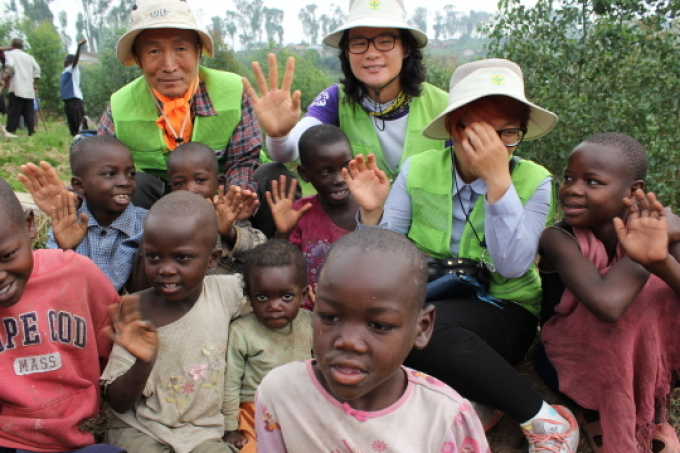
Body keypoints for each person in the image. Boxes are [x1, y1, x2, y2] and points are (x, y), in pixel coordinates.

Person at [345, 58, 580, 452]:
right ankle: (476, 401)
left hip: (503, 308)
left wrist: (499, 184)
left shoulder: (534, 181)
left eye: (508, 134)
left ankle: (546, 421)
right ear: (455, 128)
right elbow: (383, 257)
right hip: (431, 295)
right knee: (379, 328)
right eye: (484, 133)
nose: (496, 147)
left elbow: (512, 265)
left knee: (421, 333)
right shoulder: (418, 169)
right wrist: (371, 213)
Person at [255, 228, 490, 452]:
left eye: (379, 325)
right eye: (329, 317)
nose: (348, 341)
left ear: (421, 328)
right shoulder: (281, 393)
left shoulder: (444, 419)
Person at [245, 0, 448, 236]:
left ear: (407, 48)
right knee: (269, 173)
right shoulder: (335, 99)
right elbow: (291, 151)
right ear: (347, 52)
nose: (372, 53)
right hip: (359, 232)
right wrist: (278, 134)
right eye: (359, 43)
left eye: (385, 42)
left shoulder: (444, 106)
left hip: (429, 245)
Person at [538, 133, 680, 453]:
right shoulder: (558, 238)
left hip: (648, 360)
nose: (573, 189)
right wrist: (645, 257)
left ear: (634, 191)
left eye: (593, 181)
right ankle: (598, 414)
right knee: (638, 300)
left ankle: (651, 410)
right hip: (572, 360)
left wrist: (661, 258)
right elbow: (608, 305)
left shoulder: (662, 231)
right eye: (569, 178)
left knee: (662, 290)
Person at [101, 190, 248, 453]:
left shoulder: (226, 293)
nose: (165, 269)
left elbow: (271, 282)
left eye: (181, 258)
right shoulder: (134, 311)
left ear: (213, 259)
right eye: (154, 256)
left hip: (203, 433)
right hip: (140, 428)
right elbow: (118, 403)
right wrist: (143, 362)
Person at [97, 0, 262, 210]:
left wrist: (235, 197)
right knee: (135, 183)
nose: (169, 66)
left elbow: (244, 160)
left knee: (272, 177)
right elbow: (99, 166)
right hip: (156, 207)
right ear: (138, 59)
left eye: (181, 48)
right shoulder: (120, 104)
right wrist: (76, 197)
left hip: (220, 194)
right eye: (154, 51)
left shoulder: (233, 90)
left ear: (198, 52)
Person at [0, 178, 124, 453]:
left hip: (77, 440)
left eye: (8, 255)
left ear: (29, 225)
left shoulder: (77, 275)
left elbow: (117, 352)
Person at [20, 136, 147, 292]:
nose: (125, 182)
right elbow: (54, 282)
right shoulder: (67, 225)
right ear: (79, 185)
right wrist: (66, 249)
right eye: (109, 174)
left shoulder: (148, 225)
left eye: (131, 174)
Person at [222, 240, 313, 452]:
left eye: (286, 296)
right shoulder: (242, 331)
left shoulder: (311, 324)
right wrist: (230, 428)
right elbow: (231, 383)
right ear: (249, 298)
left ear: (303, 296)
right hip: (255, 413)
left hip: (303, 409)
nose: (274, 306)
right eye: (262, 297)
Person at [266, 125, 357, 309]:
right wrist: (283, 233)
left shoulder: (371, 210)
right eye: (325, 172)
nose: (339, 178)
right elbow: (279, 270)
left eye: (345, 167)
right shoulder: (300, 213)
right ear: (304, 174)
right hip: (307, 312)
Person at [166, 142, 265, 275]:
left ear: (219, 183)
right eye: (179, 183)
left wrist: (228, 232)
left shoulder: (227, 214)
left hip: (229, 291)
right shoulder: (166, 221)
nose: (190, 189)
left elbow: (262, 249)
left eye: (200, 180)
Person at [4, 39, 40, 137]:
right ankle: (31, 131)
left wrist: (6, 76)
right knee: (29, 112)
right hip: (28, 89)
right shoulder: (29, 57)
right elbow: (37, 69)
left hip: (16, 86)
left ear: (12, 45)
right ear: (22, 47)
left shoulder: (10, 54)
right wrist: (35, 83)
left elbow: (10, 66)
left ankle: (10, 131)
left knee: (14, 111)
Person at [61, 38, 89, 136]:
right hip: (68, 101)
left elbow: (76, 59)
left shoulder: (72, 69)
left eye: (66, 59)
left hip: (74, 100)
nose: (64, 61)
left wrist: (79, 47)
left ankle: (83, 140)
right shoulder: (65, 71)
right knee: (72, 124)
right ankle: (76, 139)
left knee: (79, 125)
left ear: (69, 61)